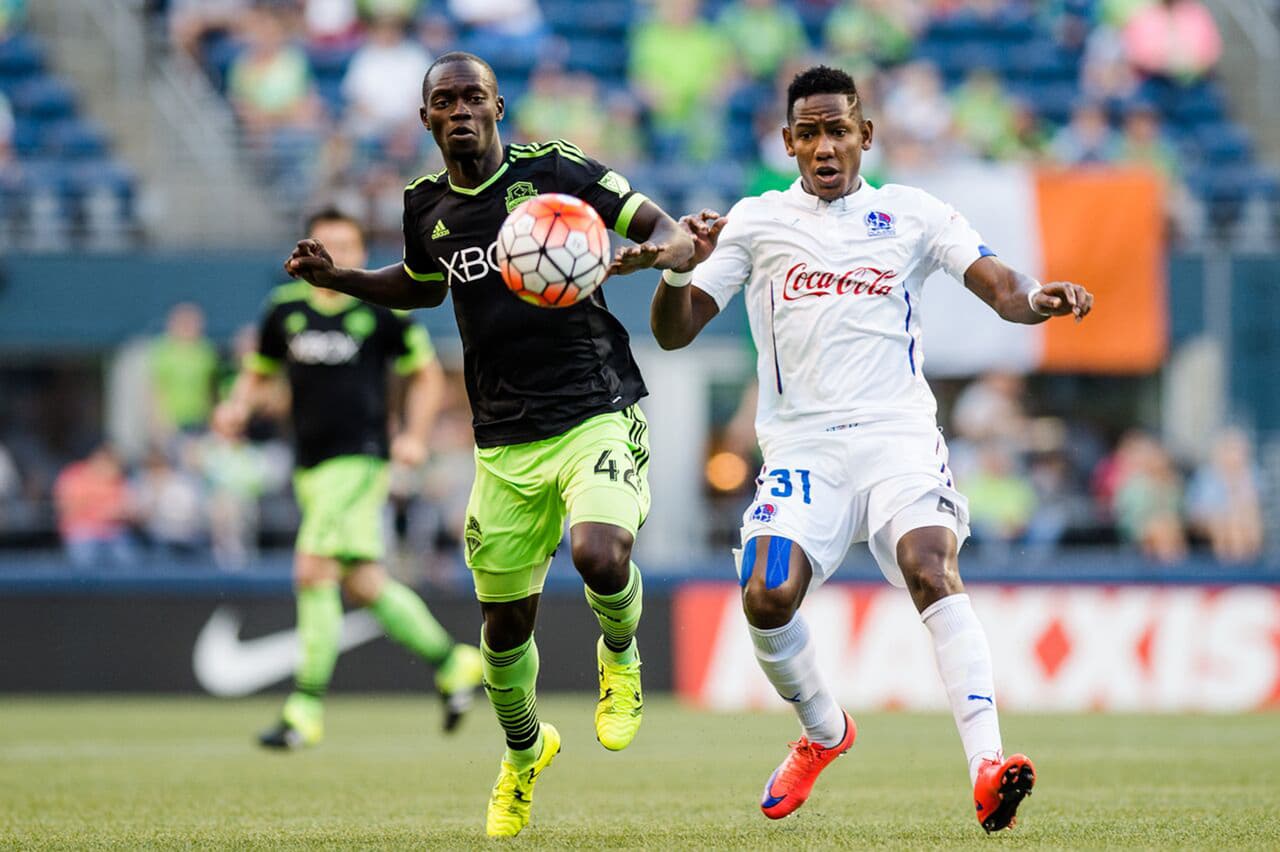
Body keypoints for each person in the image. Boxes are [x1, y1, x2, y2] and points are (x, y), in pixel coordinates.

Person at [650, 66, 1094, 832]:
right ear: (788, 142)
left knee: (930, 564)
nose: (825, 146)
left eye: (839, 130)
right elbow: (674, 328)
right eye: (810, 133)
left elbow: (997, 284)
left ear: (866, 136)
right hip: (802, 448)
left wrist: (1037, 300)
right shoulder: (756, 222)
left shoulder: (911, 214)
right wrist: (673, 271)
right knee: (765, 596)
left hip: (898, 437)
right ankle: (825, 732)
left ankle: (988, 766)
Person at [280, 52, 694, 837]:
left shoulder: (558, 170)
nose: (462, 109)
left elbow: (665, 230)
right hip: (503, 441)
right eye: (446, 100)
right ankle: (523, 752)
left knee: (602, 554)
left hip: (594, 410)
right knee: (504, 631)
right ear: (427, 117)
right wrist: (341, 281)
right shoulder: (425, 204)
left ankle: (621, 656)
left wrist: (656, 254)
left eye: (475, 96)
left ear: (499, 105)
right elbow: (421, 284)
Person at [215, 207, 484, 751]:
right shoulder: (284, 308)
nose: (336, 252)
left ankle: (304, 709)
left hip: (361, 461)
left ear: (361, 255)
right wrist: (237, 405)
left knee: (312, 568)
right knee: (362, 582)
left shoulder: (381, 309)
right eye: (326, 241)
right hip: (310, 466)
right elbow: (260, 371)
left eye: (347, 244)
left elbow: (426, 376)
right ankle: (453, 661)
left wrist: (413, 434)